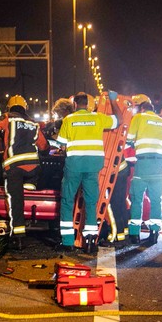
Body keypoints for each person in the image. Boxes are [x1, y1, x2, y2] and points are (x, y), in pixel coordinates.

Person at [56, 91, 121, 251]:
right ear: (88, 104)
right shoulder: (97, 117)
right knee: (91, 202)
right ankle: (91, 241)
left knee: (67, 201)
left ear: (75, 105)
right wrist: (113, 101)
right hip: (93, 166)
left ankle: (67, 242)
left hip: (74, 166)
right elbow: (119, 120)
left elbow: (62, 144)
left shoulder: (69, 119)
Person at [0, 94, 49, 248]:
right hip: (33, 169)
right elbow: (44, 147)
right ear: (25, 108)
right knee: (33, 175)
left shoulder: (7, 118)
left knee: (16, 202)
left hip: (14, 168)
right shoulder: (33, 123)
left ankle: (18, 237)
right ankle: (30, 185)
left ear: (9, 107)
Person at [126, 94, 162, 244]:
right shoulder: (161, 121)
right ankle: (154, 233)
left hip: (143, 163)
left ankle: (134, 234)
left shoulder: (139, 118)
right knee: (156, 200)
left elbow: (129, 137)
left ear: (141, 108)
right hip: (158, 164)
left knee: (137, 199)